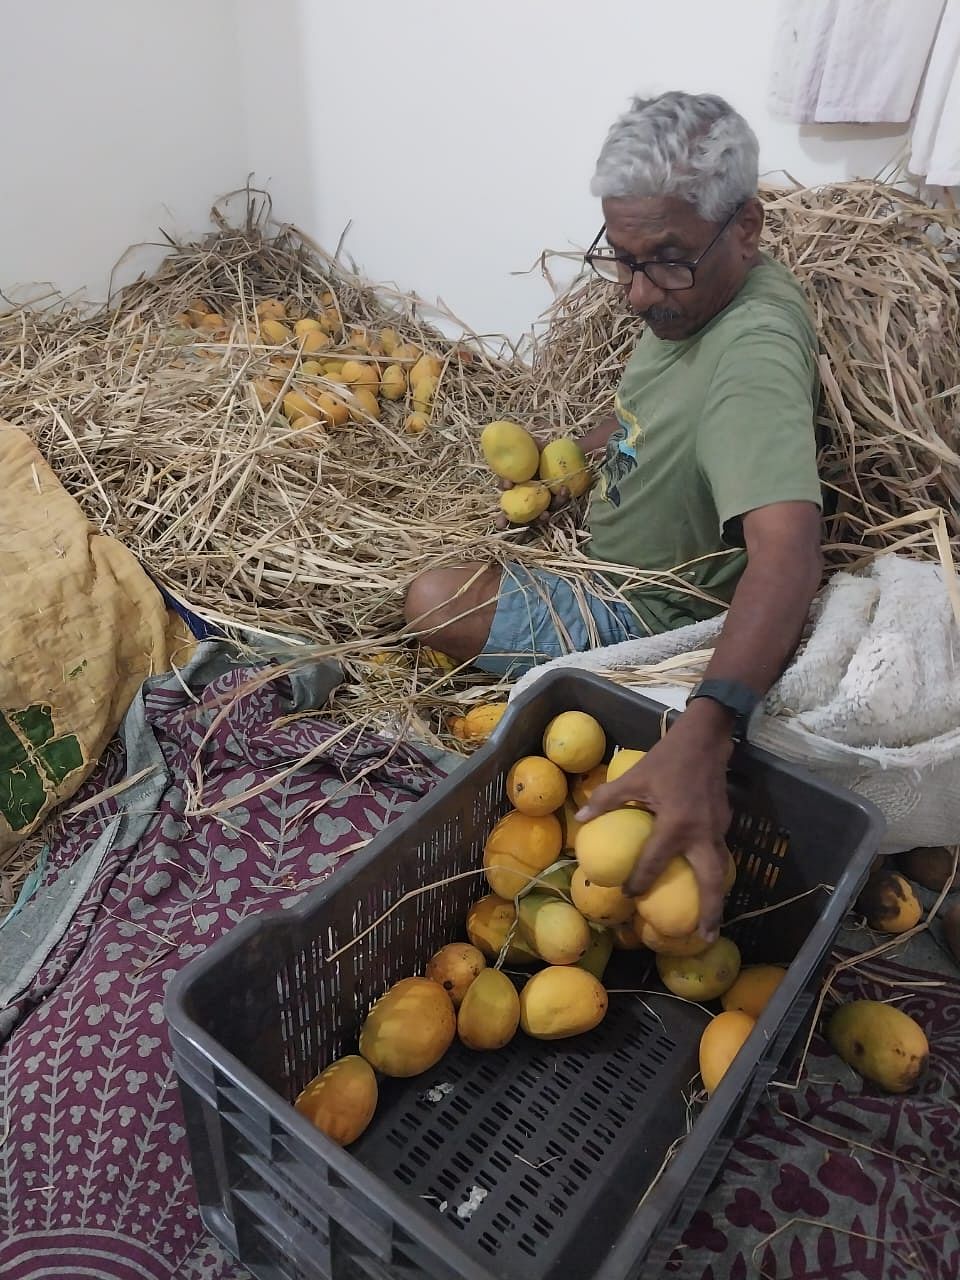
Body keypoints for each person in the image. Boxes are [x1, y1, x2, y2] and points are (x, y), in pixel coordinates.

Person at [404, 92, 823, 942]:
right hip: (605, 557)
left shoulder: (753, 355)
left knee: (431, 600)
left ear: (747, 226)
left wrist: (708, 730)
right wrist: (577, 457)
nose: (635, 295)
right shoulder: (697, 291)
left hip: (645, 612)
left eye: (663, 261)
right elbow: (648, 408)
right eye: (622, 260)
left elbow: (788, 556)